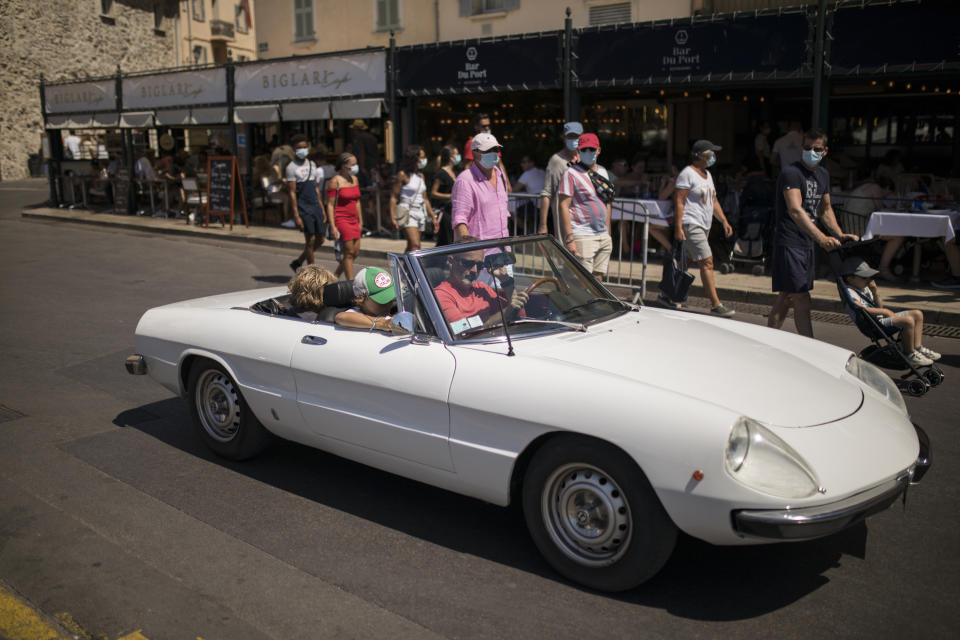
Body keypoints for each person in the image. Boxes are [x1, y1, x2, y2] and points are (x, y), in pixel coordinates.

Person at [767, 128, 859, 337]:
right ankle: (810, 345)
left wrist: (839, 234)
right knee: (802, 299)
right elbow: (795, 210)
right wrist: (821, 238)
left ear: (825, 151)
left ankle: (768, 339)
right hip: (790, 241)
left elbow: (825, 209)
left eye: (816, 149)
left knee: (786, 297)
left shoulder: (823, 175)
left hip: (806, 243)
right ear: (802, 148)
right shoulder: (791, 172)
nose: (811, 152)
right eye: (807, 148)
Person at [673, 140, 736, 316]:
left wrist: (723, 220)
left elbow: (713, 200)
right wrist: (679, 227)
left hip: (704, 224)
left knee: (687, 262)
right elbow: (679, 201)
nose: (714, 157)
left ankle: (668, 293)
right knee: (707, 261)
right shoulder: (687, 174)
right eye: (711, 154)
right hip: (691, 223)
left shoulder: (707, 174)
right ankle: (716, 304)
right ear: (700, 156)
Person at [840, 257, 940, 366]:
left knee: (917, 314)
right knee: (908, 321)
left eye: (869, 277)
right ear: (850, 279)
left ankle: (918, 347)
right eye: (864, 277)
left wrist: (875, 292)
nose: (868, 280)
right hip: (872, 325)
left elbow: (878, 305)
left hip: (879, 321)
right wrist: (884, 311)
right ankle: (910, 353)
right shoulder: (850, 291)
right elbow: (859, 307)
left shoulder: (864, 287)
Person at [433, 242, 528, 334]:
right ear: (451, 260)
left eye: (479, 265)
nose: (474, 270)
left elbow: (519, 315)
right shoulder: (441, 295)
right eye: (468, 263)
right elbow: (461, 330)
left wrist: (505, 280)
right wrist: (506, 312)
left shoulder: (482, 289)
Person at [558, 133, 612, 280]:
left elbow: (607, 203)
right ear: (579, 151)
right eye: (584, 150)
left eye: (591, 149)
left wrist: (607, 232)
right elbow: (563, 205)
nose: (588, 152)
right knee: (584, 282)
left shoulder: (602, 171)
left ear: (598, 150)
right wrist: (569, 239)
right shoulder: (570, 173)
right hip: (582, 234)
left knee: (598, 278)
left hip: (602, 235)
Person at [451, 133, 510, 241]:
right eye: (487, 150)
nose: (493, 153)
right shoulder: (465, 180)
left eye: (495, 149)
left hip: (503, 249)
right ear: (474, 153)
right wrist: (469, 249)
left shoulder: (501, 176)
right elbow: (459, 220)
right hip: (479, 252)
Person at [286, 134, 326, 271]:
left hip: (315, 204)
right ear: (294, 149)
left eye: (305, 147)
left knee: (321, 239)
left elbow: (316, 187)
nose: (303, 150)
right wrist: (296, 215)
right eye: (299, 148)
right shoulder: (291, 167)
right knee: (310, 241)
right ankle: (312, 271)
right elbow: (292, 193)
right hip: (303, 205)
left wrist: (322, 207)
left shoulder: (312, 164)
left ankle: (298, 261)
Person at [391, 145, 438, 252]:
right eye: (422, 157)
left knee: (411, 247)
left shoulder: (421, 176)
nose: (424, 160)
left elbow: (425, 198)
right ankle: (405, 268)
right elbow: (394, 197)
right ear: (414, 158)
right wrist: (393, 217)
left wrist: (433, 216)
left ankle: (402, 268)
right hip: (407, 212)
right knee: (415, 245)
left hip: (420, 213)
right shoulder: (402, 175)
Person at [538, 122, 582, 235]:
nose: (573, 139)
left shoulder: (585, 157)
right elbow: (547, 193)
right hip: (566, 220)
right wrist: (543, 225)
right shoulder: (557, 160)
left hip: (584, 219)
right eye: (570, 136)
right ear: (563, 138)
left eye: (576, 136)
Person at [326, 152, 363, 281]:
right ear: (343, 166)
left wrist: (360, 220)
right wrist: (332, 226)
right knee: (349, 252)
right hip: (341, 219)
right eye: (353, 164)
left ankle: (335, 276)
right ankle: (351, 284)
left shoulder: (355, 179)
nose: (355, 166)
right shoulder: (335, 181)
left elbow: (357, 201)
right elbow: (330, 205)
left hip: (354, 219)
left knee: (356, 252)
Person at [334, 267, 397, 332]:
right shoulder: (355, 314)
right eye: (382, 299)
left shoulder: (388, 315)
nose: (388, 304)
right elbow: (341, 317)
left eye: (390, 299)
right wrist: (382, 324)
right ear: (360, 298)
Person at [462, 113, 510, 191]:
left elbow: (500, 164)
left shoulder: (493, 141)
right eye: (484, 126)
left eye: (489, 125)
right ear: (476, 127)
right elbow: (468, 166)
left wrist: (507, 184)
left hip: (495, 184)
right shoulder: (472, 143)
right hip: (479, 185)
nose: (487, 128)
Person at [430, 144, 460, 246]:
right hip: (444, 211)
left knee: (449, 239)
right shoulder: (441, 173)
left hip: (453, 210)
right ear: (451, 157)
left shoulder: (455, 172)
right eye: (456, 154)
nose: (458, 156)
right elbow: (433, 193)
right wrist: (449, 196)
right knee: (446, 240)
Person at [513, 154, 545, 235]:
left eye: (524, 162)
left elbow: (514, 189)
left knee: (512, 212)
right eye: (522, 162)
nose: (522, 164)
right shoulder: (542, 172)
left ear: (531, 163)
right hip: (547, 205)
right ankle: (530, 231)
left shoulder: (527, 174)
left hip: (537, 205)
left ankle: (527, 232)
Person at [270, 142, 296, 227]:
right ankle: (287, 219)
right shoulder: (276, 167)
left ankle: (294, 218)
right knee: (288, 198)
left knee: (293, 196)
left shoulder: (288, 167)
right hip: (274, 190)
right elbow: (278, 179)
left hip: (283, 189)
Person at [350, 120, 379, 188]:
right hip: (373, 164)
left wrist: (362, 167)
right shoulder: (372, 137)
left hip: (364, 165)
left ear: (357, 129)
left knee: (364, 186)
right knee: (372, 185)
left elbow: (361, 152)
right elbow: (377, 151)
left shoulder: (359, 138)